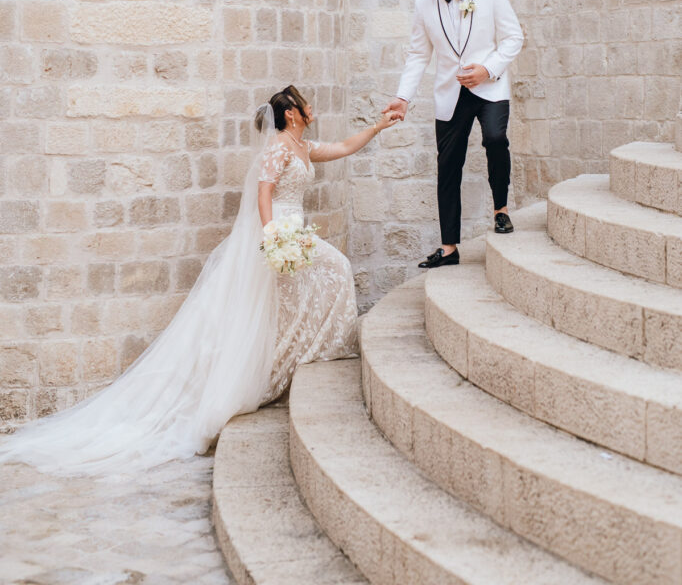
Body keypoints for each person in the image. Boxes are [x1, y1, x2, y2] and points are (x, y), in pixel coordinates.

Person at [0, 87, 397, 475]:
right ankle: (280, 363)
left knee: (322, 276)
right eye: (304, 102)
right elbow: (264, 193)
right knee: (301, 284)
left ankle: (294, 356)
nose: (312, 106)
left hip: (294, 232)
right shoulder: (277, 147)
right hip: (279, 232)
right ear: (291, 112)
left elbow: (344, 147)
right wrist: (272, 234)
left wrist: (378, 126)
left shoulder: (303, 147)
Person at [384, 0, 524, 269]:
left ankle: (501, 210)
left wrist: (487, 68)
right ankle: (449, 248)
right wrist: (403, 97)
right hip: (450, 94)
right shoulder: (423, 3)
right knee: (447, 168)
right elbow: (419, 54)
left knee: (495, 138)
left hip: (490, 87)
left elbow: (513, 37)